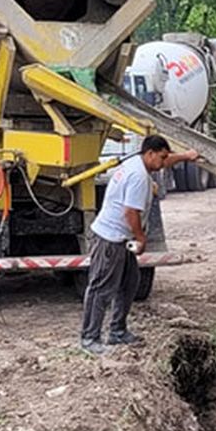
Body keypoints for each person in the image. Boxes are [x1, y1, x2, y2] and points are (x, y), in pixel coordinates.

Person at [81, 134, 199, 355]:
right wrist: (141, 238)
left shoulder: (137, 162)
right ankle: (90, 338)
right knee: (101, 288)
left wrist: (185, 156)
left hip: (121, 239)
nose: (164, 163)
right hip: (111, 238)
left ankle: (117, 331)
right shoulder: (138, 176)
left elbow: (165, 160)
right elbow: (130, 212)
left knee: (130, 282)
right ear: (150, 153)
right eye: (162, 158)